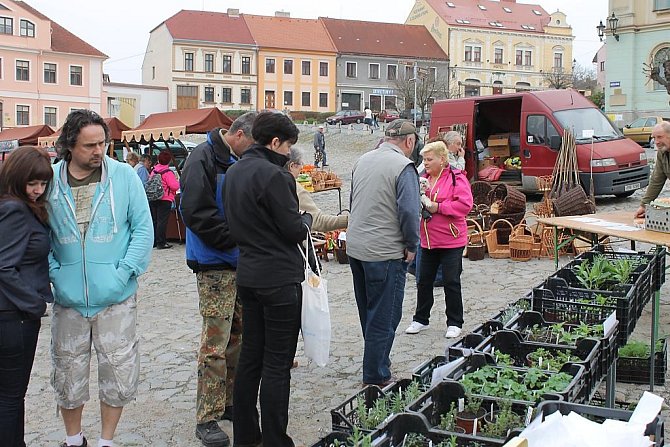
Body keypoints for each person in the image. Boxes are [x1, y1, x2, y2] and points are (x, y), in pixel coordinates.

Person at [46, 109, 153, 447]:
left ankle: (107, 440)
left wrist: (124, 273)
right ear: (69, 145)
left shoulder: (123, 176)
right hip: (69, 298)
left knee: (118, 371)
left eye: (102, 143)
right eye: (88, 145)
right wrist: (55, 273)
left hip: (116, 297)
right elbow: (39, 234)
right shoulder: (50, 180)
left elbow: (142, 229)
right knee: (67, 372)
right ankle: (73, 438)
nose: (98, 151)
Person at [222, 112, 312, 447]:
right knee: (276, 364)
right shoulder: (276, 176)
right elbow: (292, 230)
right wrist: (304, 219)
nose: (289, 152)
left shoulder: (233, 171)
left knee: (250, 358)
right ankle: (276, 439)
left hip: (248, 274)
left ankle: (246, 436)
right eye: (288, 145)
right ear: (275, 142)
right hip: (278, 279)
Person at [180, 112, 256, 447]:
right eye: (250, 145)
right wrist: (235, 239)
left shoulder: (233, 159)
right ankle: (206, 417)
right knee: (215, 342)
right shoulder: (202, 158)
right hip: (214, 264)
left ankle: (228, 402)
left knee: (237, 338)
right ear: (238, 134)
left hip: (239, 262)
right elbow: (196, 213)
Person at [346, 119, 420, 387]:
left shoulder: (362, 160)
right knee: (384, 316)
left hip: (356, 247)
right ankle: (376, 376)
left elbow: (354, 202)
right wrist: (412, 245)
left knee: (369, 311)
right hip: (384, 251)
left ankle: (377, 363)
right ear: (409, 141)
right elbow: (411, 212)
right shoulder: (404, 167)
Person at [0, 146, 54, 447]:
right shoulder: (15, 209)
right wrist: (34, 303)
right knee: (11, 396)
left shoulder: (15, 204)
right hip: (13, 317)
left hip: (13, 314)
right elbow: (4, 266)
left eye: (43, 183)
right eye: (32, 183)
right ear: (16, 178)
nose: (38, 190)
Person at [405, 138, 473, 338]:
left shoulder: (456, 178)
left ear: (442, 159)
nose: (425, 163)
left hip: (451, 239)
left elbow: (464, 206)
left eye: (429, 159)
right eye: (424, 159)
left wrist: (438, 207)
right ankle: (420, 319)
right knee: (423, 281)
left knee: (451, 281)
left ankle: (454, 322)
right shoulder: (422, 178)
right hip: (427, 239)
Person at [286, 147, 348, 231]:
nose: (302, 166)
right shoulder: (295, 188)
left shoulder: (272, 181)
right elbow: (318, 221)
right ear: (292, 166)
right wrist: (349, 220)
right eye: (300, 163)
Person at [636, 122, 670, 219]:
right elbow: (656, 180)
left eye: (660, 137)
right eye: (654, 138)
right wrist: (644, 205)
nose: (656, 142)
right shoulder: (662, 153)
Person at [149, 150, 180, 250]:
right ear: (169, 161)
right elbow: (174, 186)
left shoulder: (154, 171)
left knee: (154, 220)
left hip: (153, 198)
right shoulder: (168, 172)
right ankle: (161, 242)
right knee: (162, 221)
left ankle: (153, 241)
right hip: (165, 198)